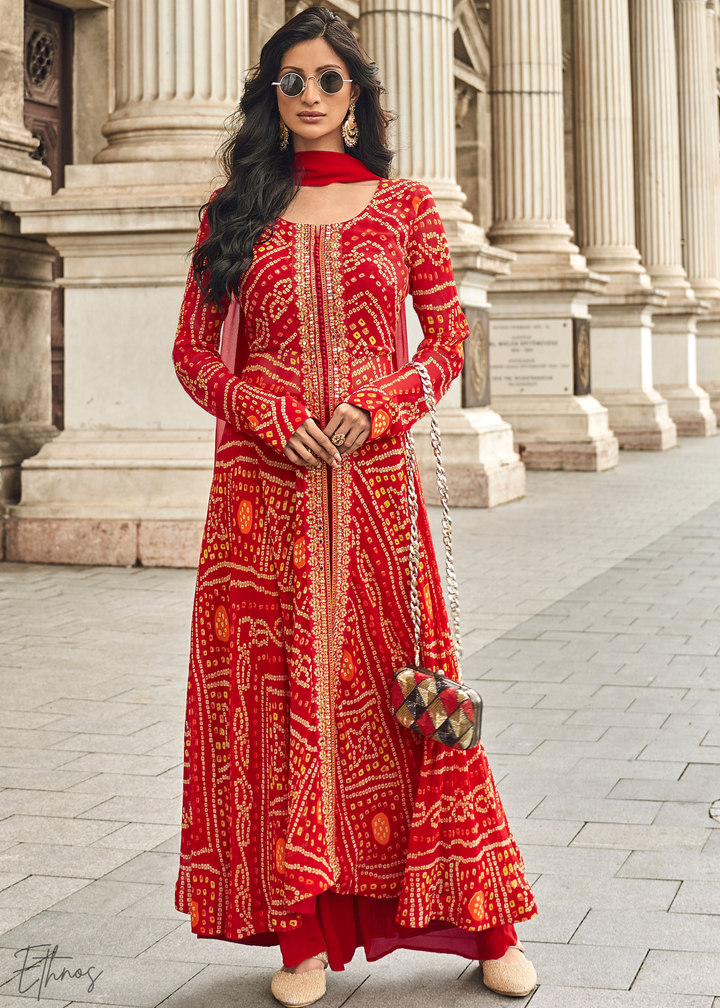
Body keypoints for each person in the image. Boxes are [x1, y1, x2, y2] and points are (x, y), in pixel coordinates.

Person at [172, 7, 538, 1005]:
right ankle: (300, 935)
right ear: (272, 97)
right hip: (264, 503)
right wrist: (263, 407)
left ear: (357, 96)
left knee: (414, 698)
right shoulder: (235, 209)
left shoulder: (406, 207)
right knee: (280, 698)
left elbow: (447, 347)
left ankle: (485, 920)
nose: (310, 98)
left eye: (327, 80)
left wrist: (378, 408)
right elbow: (195, 355)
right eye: (291, 81)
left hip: (377, 496)